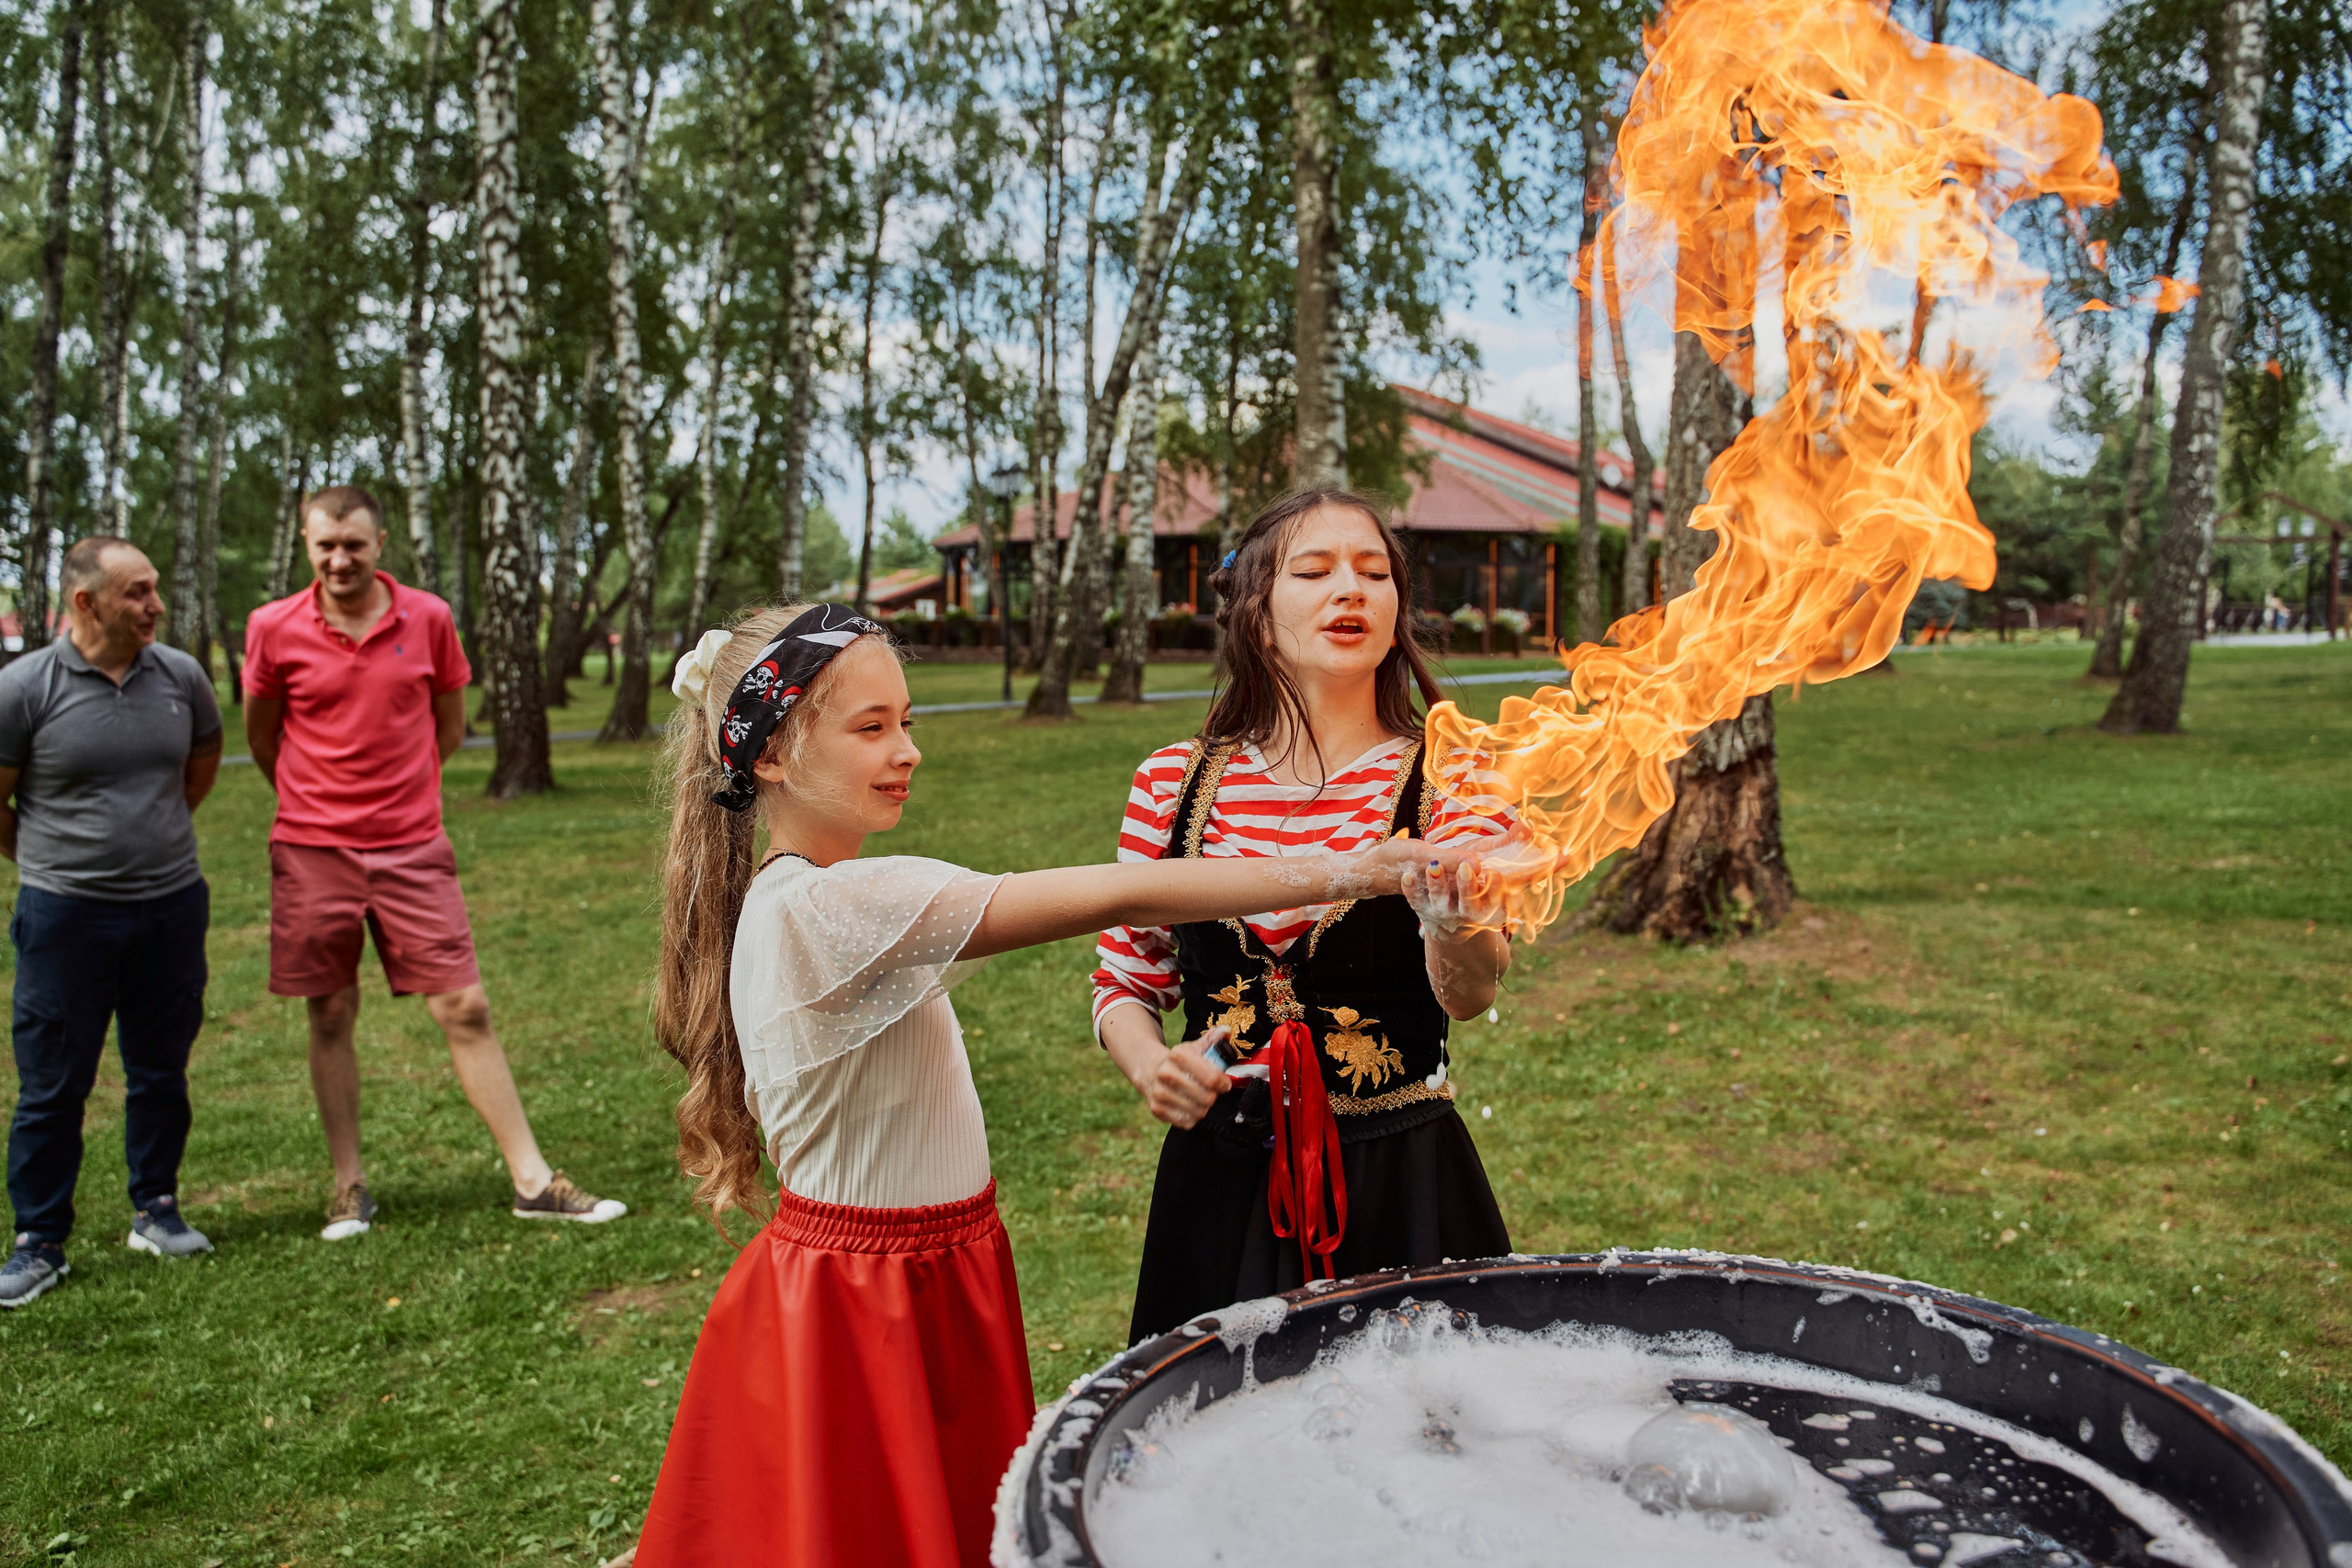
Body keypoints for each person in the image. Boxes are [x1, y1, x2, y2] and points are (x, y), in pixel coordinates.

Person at [631, 602, 1483, 1568]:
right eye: (870, 728)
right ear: (773, 756)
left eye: (907, 721)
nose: (905, 749)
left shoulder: (819, 898)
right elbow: (1121, 894)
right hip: (865, 1296)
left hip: (921, 1265)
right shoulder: (832, 906)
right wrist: (1352, 868)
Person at [1094, 488, 1519, 1343]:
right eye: (1315, 570)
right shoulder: (1172, 783)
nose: (1351, 590)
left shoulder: (1457, 778)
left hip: (1399, 1181)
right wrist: (1150, 1065)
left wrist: (1450, 920)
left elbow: (1471, 993)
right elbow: (1125, 979)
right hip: (1219, 1182)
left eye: (1374, 572)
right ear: (1257, 612)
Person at [243, 486, 623, 1241]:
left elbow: (447, 726)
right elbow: (263, 736)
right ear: (306, 545)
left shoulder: (429, 618)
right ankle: (348, 1186)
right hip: (313, 846)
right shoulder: (272, 627)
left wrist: (401, 797)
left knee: (465, 1006)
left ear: (380, 542)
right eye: (326, 546)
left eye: (354, 543)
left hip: (412, 845)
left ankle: (532, 1179)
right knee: (330, 1010)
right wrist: (316, 804)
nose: (340, 558)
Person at [0, 537, 223, 1310]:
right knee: (53, 1080)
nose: (155, 604)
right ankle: (38, 1240)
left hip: (169, 905)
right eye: (137, 592)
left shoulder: (183, 677)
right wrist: (54, 863)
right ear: (86, 603)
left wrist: (146, 846)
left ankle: (156, 1209)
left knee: (161, 1067)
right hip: (64, 916)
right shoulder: (24, 687)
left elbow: (198, 768)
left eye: (155, 588)